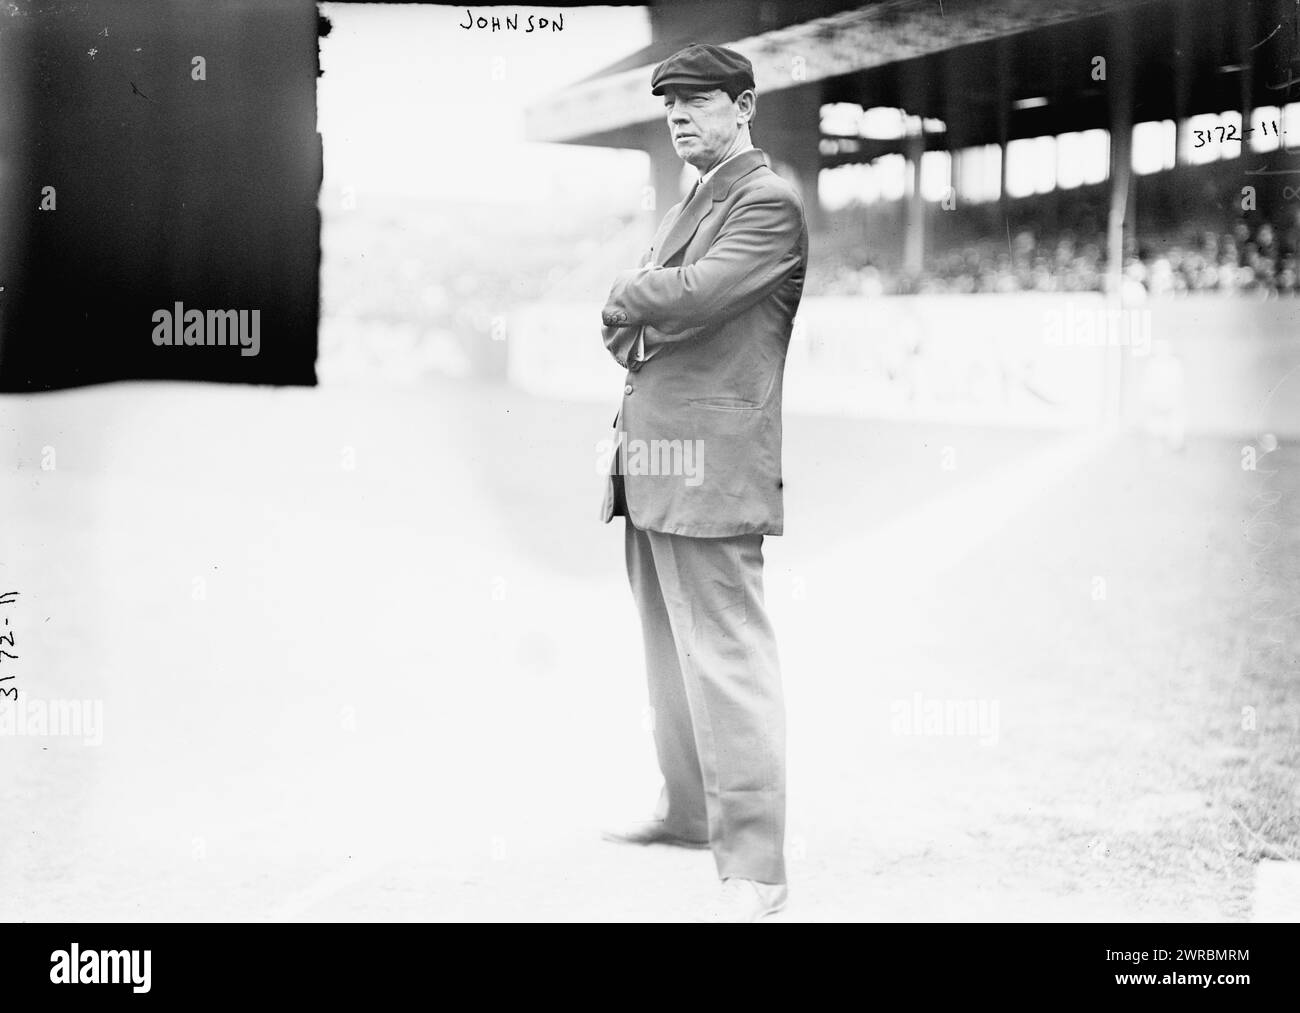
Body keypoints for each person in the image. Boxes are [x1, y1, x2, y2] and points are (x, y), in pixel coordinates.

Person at [596, 43, 808, 922]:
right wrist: (641, 301)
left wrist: (630, 290)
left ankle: (756, 868)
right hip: (651, 463)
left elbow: (690, 296)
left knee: (726, 662)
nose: (680, 115)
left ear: (745, 105)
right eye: (670, 104)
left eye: (698, 101)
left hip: (712, 471)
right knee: (666, 655)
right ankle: (687, 811)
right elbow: (637, 328)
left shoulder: (766, 201)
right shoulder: (698, 196)